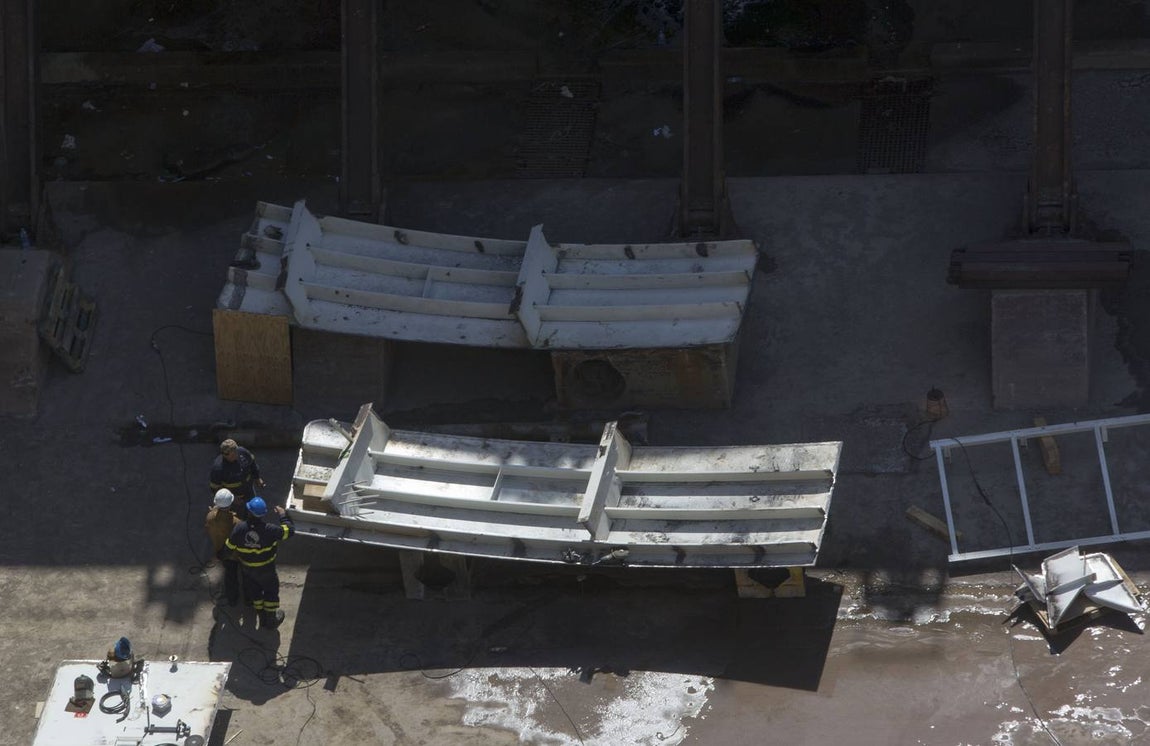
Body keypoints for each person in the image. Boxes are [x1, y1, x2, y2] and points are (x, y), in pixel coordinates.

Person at [225, 496, 294, 630]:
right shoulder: (271, 530)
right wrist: (283, 515)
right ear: (263, 514)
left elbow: (227, 550)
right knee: (271, 591)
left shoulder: (239, 529)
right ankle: (271, 620)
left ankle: (261, 614)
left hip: (248, 570)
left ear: (249, 511)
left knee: (255, 591)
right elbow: (289, 531)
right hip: (267, 568)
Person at [205, 488, 243, 607]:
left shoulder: (210, 517)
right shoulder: (237, 522)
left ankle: (232, 599)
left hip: (220, 551)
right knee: (234, 576)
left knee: (229, 573)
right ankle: (236, 598)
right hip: (234, 554)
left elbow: (208, 527)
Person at [209, 438, 264, 516]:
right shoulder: (218, 468)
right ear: (225, 455)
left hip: (249, 491)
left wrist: (257, 477)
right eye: (232, 455)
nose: (235, 456)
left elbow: (252, 463)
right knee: (236, 519)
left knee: (252, 513)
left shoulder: (242, 452)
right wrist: (233, 498)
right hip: (234, 500)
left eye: (235, 453)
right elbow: (215, 488)